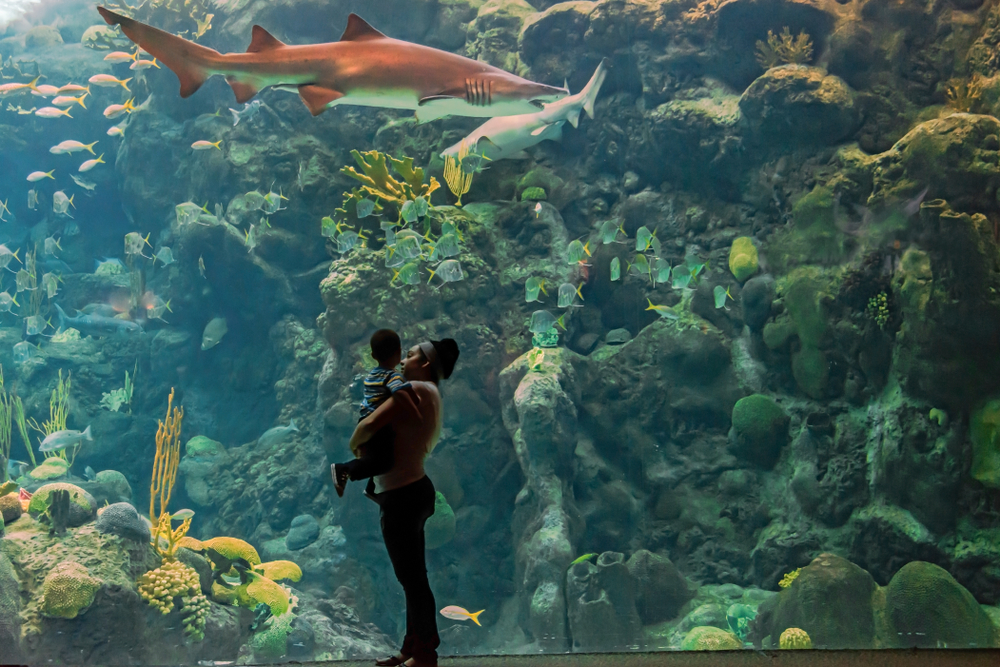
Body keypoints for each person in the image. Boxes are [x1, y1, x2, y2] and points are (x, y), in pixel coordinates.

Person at [336, 338, 459, 667]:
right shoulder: (430, 393)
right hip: (411, 490)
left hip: (404, 495)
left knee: (413, 580)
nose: (404, 360)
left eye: (413, 355)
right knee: (412, 579)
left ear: (427, 364)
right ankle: (412, 647)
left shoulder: (416, 388)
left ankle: (425, 653)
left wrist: (354, 443)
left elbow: (372, 422)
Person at [333, 329, 422, 499]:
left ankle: (371, 488)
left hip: (367, 419)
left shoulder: (372, 375)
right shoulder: (392, 376)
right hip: (381, 426)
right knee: (386, 461)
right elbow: (400, 394)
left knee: (375, 459)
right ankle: (344, 469)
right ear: (399, 352)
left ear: (373, 355)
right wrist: (415, 413)